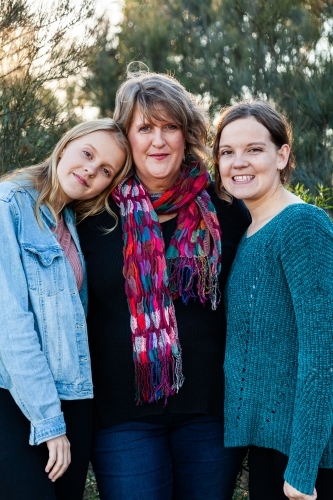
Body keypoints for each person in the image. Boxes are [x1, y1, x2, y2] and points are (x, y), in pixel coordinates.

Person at [77, 68, 250, 500]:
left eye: (170, 126)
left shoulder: (227, 209)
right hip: (123, 418)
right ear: (126, 137)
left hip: (210, 415)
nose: (158, 140)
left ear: (186, 133)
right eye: (145, 128)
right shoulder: (93, 215)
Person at [0, 118, 131, 500]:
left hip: (73, 399)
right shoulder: (9, 204)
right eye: (87, 153)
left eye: (106, 169)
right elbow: (11, 324)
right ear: (66, 144)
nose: (91, 169)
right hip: (19, 401)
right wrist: (49, 421)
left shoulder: (72, 219)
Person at [212, 100, 333, 500]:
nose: (238, 162)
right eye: (227, 152)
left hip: (305, 460)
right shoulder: (252, 229)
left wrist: (301, 469)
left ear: (282, 155)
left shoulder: (302, 225)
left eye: (254, 149)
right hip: (270, 446)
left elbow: (323, 354)